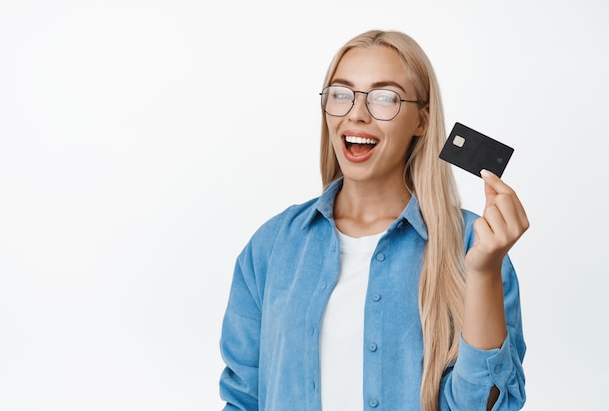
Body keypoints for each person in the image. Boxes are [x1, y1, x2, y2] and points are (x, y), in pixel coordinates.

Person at [218, 29, 529, 411]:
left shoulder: (469, 246)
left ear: (421, 121)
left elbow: (481, 406)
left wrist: (483, 273)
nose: (357, 113)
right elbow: (243, 398)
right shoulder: (272, 246)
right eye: (342, 94)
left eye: (385, 98)